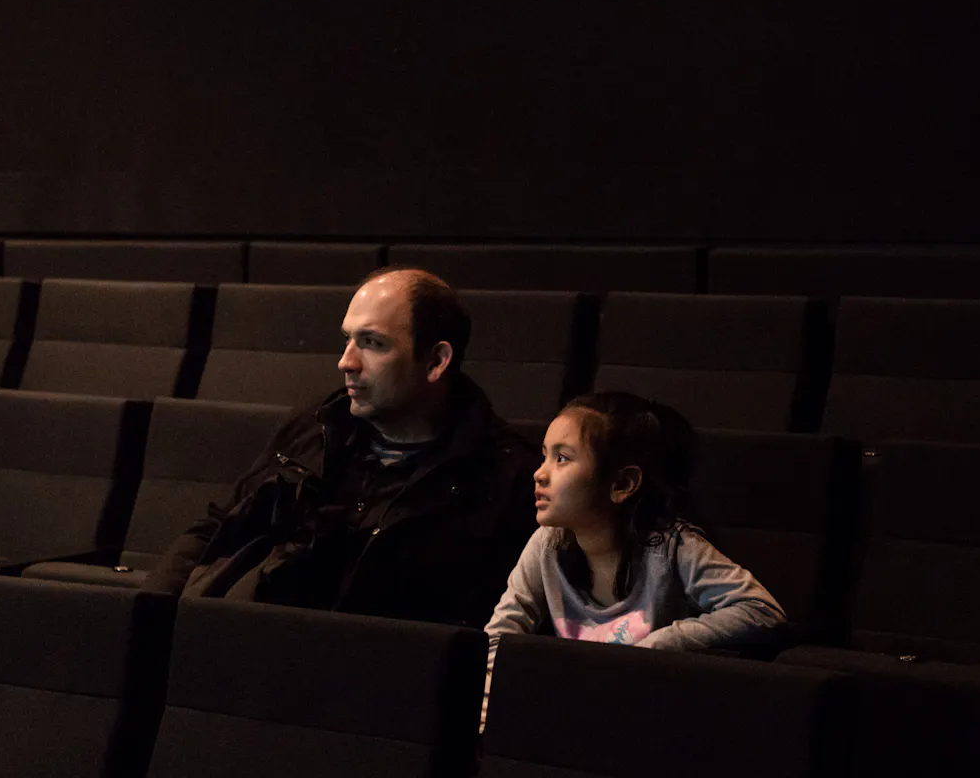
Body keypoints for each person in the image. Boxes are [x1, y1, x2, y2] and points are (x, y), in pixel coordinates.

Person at [145, 267, 539, 628]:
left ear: (436, 360)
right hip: (259, 649)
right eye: (347, 339)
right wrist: (149, 614)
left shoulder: (506, 476)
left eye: (372, 343)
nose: (346, 362)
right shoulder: (314, 426)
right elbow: (221, 525)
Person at [484, 391, 787, 693]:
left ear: (622, 484)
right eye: (545, 456)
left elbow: (761, 610)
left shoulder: (671, 546)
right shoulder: (548, 543)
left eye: (562, 459)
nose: (539, 473)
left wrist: (660, 643)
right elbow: (499, 638)